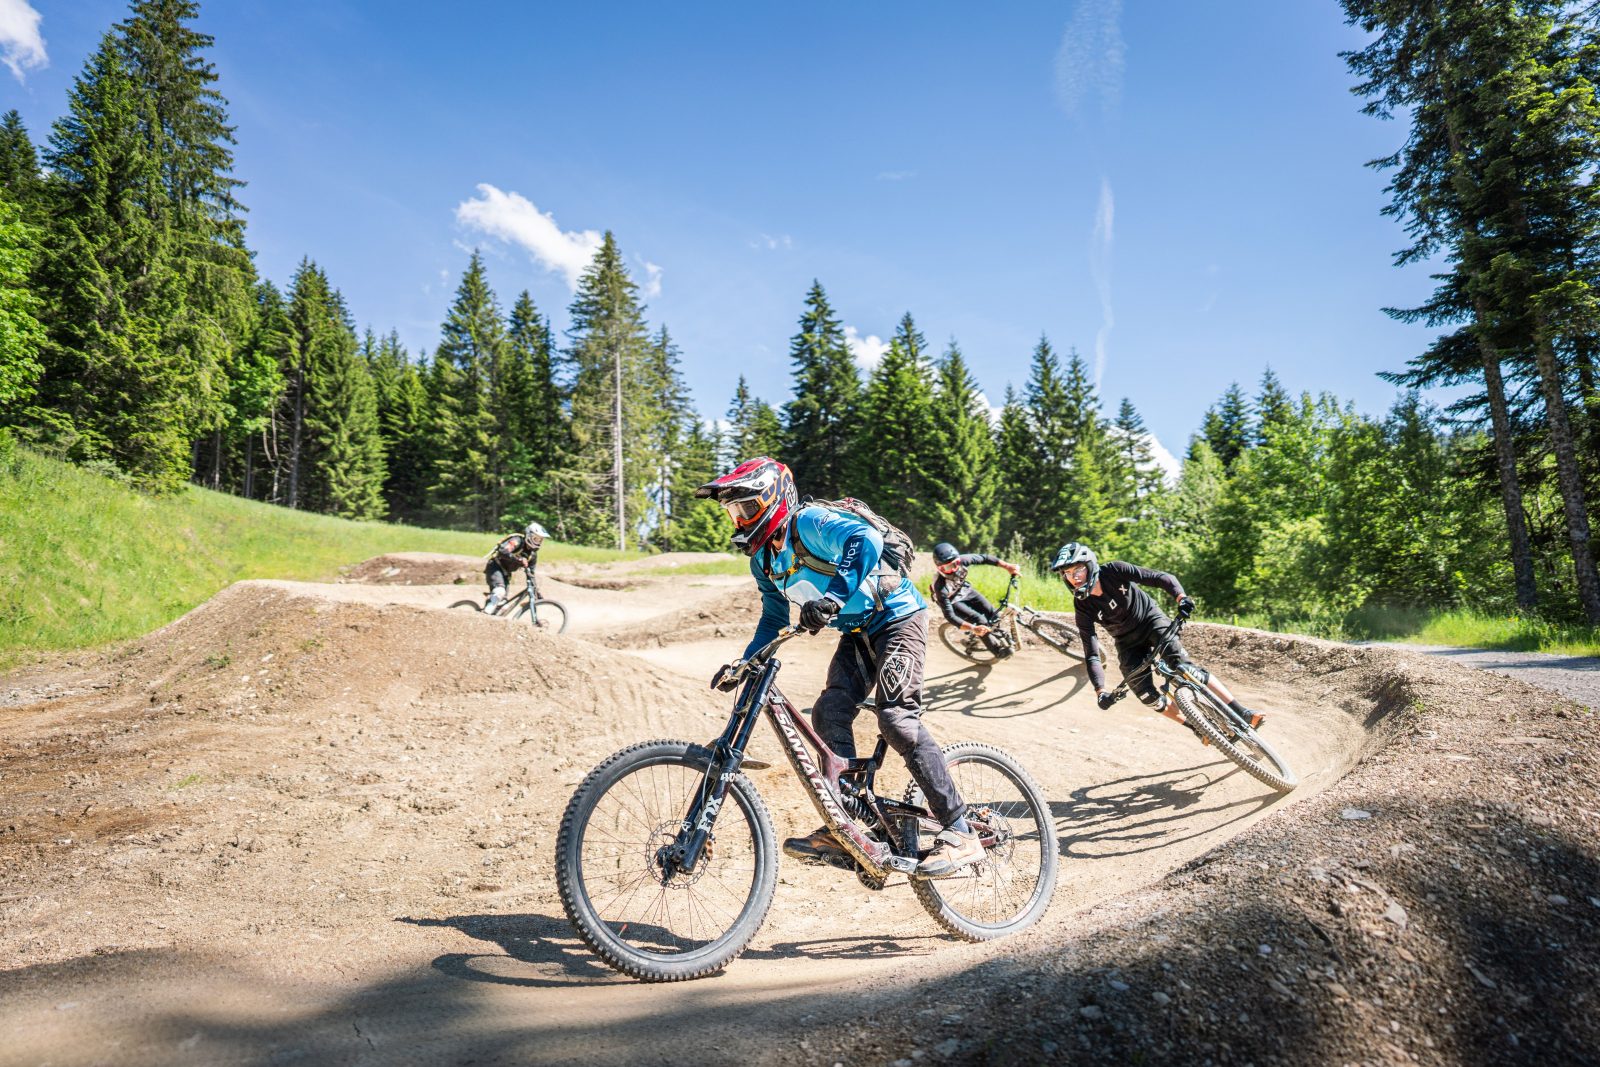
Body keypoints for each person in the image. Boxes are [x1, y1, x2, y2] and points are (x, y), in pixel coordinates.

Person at [696, 457, 982, 879]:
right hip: (858, 632)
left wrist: (832, 598)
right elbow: (773, 618)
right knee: (828, 711)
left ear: (775, 500)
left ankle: (960, 830)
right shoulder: (764, 562)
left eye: (747, 508)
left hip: (898, 618)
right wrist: (746, 662)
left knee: (896, 719)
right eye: (733, 513)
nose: (740, 521)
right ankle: (852, 825)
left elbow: (865, 539)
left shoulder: (808, 522)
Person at [1051, 541, 1265, 739]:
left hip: (1151, 621)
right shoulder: (1082, 606)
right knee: (1145, 695)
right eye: (1066, 573)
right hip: (1127, 642)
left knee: (1185, 668)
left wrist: (1181, 598)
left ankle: (1242, 712)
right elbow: (1091, 653)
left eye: (1077, 570)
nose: (1073, 577)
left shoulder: (1114, 570)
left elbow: (1159, 577)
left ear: (1089, 565)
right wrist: (1100, 691)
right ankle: (1198, 728)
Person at [930, 541, 1021, 658]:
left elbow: (984, 558)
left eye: (956, 563)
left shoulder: (963, 560)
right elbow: (950, 616)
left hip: (964, 590)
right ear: (939, 568)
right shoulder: (940, 587)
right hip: (952, 600)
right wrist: (973, 628)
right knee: (979, 620)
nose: (954, 569)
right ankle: (998, 651)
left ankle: (993, 634)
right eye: (948, 567)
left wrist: (1007, 566)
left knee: (993, 613)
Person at [483, 521, 548, 616]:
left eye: (540, 540)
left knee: (503, 606)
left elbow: (531, 574)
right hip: (495, 567)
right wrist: (519, 559)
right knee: (499, 592)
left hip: (506, 574)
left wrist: (536, 591)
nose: (538, 542)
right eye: (536, 539)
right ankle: (483, 615)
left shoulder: (532, 555)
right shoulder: (517, 540)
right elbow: (502, 551)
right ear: (529, 535)